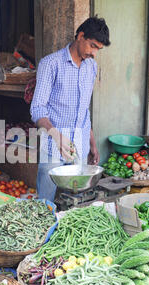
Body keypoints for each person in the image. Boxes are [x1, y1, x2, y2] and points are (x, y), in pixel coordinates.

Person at [30, 16, 111, 202]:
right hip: (52, 147)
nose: (94, 53)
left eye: (98, 49)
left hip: (79, 148)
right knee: (46, 203)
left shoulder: (91, 66)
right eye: (92, 46)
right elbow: (37, 109)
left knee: (76, 206)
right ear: (80, 36)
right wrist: (57, 137)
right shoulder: (51, 64)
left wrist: (91, 143)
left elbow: (84, 110)